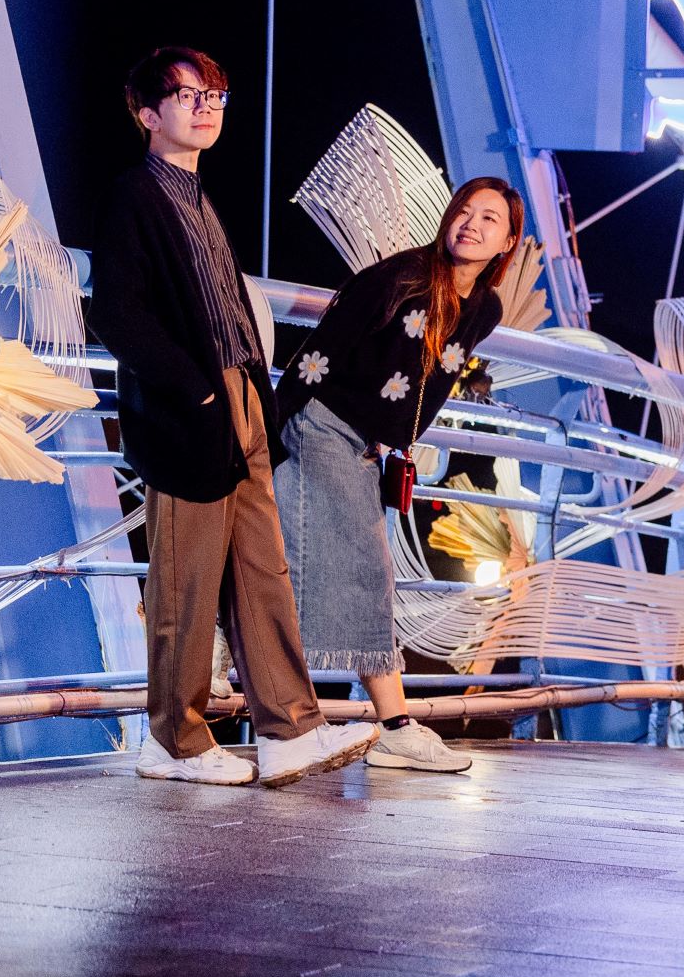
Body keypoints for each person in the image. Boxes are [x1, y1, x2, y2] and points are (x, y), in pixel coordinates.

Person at [88, 47, 378, 787]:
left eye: (215, 94)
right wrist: (195, 390)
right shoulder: (135, 195)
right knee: (185, 580)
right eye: (189, 95)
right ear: (148, 114)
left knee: (262, 570)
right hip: (192, 409)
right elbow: (116, 312)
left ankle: (290, 729)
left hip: (243, 400)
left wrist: (248, 394)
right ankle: (174, 741)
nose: (207, 107)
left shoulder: (198, 197)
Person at [274, 178, 525, 773]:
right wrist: (270, 431)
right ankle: (391, 726)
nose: (471, 224)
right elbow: (319, 353)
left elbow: (438, 378)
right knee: (363, 570)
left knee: (326, 566)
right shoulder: (401, 278)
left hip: (366, 446)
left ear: (507, 242)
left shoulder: (483, 308)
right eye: (464, 211)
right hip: (322, 425)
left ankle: (253, 674)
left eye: (489, 219)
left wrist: (396, 443)